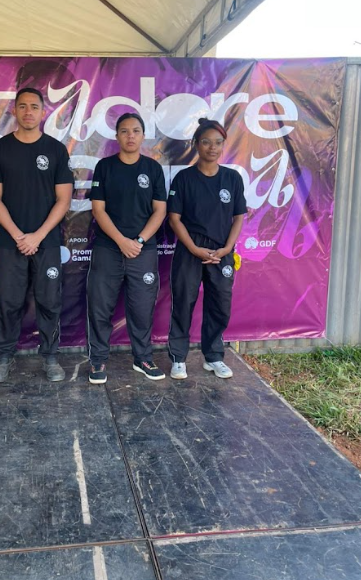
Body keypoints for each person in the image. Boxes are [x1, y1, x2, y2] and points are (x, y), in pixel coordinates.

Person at [0, 87, 73, 383]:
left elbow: (63, 200)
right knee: (9, 301)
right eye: (22, 106)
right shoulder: (0, 149)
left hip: (46, 242)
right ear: (14, 110)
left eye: (34, 107)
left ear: (43, 112)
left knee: (49, 300)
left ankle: (50, 356)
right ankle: (4, 357)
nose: (28, 112)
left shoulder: (56, 150)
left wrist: (37, 236)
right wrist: (19, 236)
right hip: (11, 242)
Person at [87, 112, 167, 384]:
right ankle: (98, 360)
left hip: (142, 250)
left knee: (142, 308)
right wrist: (121, 241)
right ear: (117, 136)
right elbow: (98, 210)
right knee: (100, 307)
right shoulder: (105, 167)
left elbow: (160, 211)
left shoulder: (153, 169)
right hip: (108, 248)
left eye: (135, 131)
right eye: (124, 131)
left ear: (143, 136)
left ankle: (142, 358)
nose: (130, 136)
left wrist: (139, 241)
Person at [167, 117, 246, 380]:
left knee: (220, 304)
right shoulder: (184, 178)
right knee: (183, 303)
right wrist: (193, 248)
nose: (213, 148)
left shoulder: (232, 178)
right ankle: (178, 358)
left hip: (221, 252)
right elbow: (174, 218)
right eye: (206, 142)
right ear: (196, 144)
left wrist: (227, 249)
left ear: (223, 145)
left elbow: (238, 217)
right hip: (190, 250)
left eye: (218, 143)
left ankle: (213, 357)